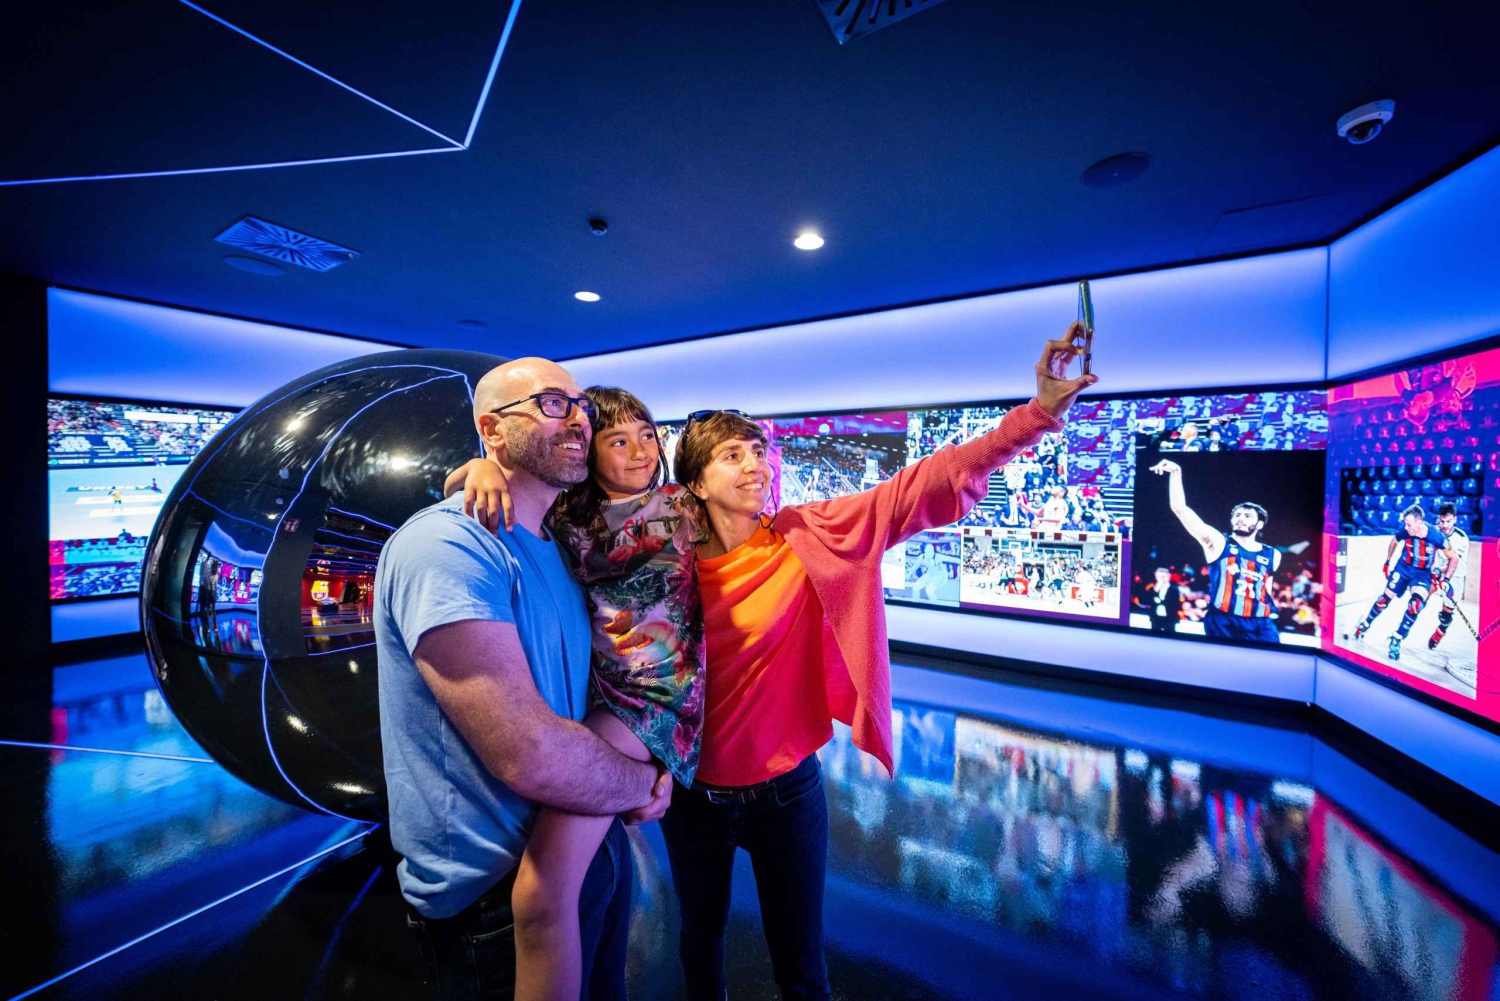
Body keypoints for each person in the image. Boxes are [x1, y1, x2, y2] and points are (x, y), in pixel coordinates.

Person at [656, 330, 1093, 1000]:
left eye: (759, 451)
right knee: (700, 942)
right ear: (695, 482)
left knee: (802, 969)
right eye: (732, 454)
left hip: (786, 795)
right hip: (694, 796)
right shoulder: (667, 569)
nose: (755, 465)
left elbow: (919, 487)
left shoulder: (804, 535)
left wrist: (1036, 414)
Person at [375, 358, 672, 1001]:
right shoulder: (447, 547)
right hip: (491, 898)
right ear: (491, 429)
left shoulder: (557, 544)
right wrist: (642, 782)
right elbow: (528, 753)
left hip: (591, 837)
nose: (579, 419)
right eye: (551, 403)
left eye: (581, 405)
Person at [444, 385, 706, 1001]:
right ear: (588, 450)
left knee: (541, 895)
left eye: (648, 436)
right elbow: (472, 482)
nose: (640, 451)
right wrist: (478, 467)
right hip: (598, 693)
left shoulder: (680, 505)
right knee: (575, 888)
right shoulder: (566, 516)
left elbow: (752, 505)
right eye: (618, 440)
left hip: (649, 701)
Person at [1149, 459, 1282, 644]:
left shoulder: (1273, 554)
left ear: (1259, 524)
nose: (1241, 519)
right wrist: (1176, 473)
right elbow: (1180, 509)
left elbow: (1266, 588)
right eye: (1237, 515)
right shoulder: (1219, 543)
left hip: (1260, 623)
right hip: (1223, 620)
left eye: (1247, 516)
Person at [1351, 503, 1454, 661]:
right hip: (1403, 568)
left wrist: (1445, 579)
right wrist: (1387, 562)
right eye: (1405, 524)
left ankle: (1397, 637)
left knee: (1416, 605)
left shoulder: (1436, 536)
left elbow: (1454, 558)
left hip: (1422, 574)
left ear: (1419, 523)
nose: (1406, 527)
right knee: (1384, 599)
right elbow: (1394, 541)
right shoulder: (1406, 531)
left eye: (1409, 524)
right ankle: (1365, 624)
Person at [1428, 503, 1470, 650]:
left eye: (1449, 521)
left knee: (1446, 614)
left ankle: (1441, 630)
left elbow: (1453, 563)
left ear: (1455, 520)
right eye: (1442, 521)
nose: (1445, 525)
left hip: (1455, 576)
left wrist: (1439, 572)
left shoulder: (1461, 538)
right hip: (1436, 573)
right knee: (1419, 598)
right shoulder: (1434, 532)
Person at [1144, 567, 1183, 634]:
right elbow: (1147, 601)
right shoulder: (1152, 589)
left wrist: (1161, 602)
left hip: (1169, 619)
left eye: (1163, 577)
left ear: (1169, 576)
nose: (1161, 579)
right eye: (1159, 577)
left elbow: (1176, 604)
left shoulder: (1175, 589)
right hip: (1156, 618)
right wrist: (1156, 589)